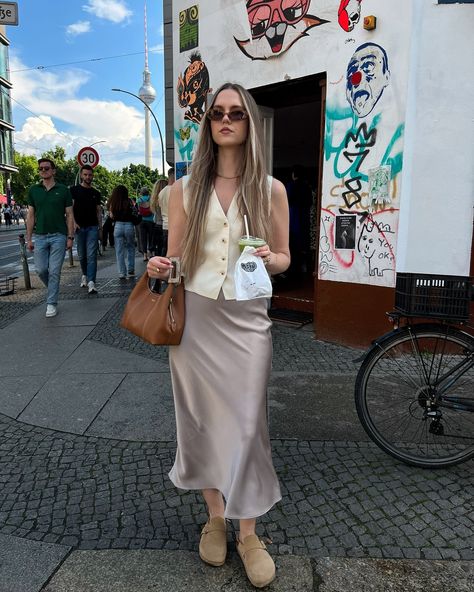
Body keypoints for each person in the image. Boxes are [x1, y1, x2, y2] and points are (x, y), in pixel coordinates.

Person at [147, 82, 290, 588]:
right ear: (208, 125)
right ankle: (214, 516)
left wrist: (273, 259)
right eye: (217, 114)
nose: (225, 120)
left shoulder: (271, 188)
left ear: (250, 123)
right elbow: (178, 257)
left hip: (248, 320)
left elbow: (285, 256)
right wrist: (161, 265)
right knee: (202, 420)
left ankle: (248, 532)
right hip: (197, 320)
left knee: (249, 425)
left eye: (236, 113)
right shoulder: (183, 189)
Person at [26, 158, 74, 317]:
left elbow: (69, 215)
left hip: (59, 236)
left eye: (46, 168)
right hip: (40, 236)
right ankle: (53, 290)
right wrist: (29, 238)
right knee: (40, 270)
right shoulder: (34, 190)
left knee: (54, 271)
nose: (43, 171)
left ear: (53, 171)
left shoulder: (63, 190)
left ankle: (51, 303)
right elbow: (31, 216)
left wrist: (70, 237)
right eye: (40, 169)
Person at [70, 164, 102, 294]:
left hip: (92, 227)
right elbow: (70, 209)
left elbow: (98, 212)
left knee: (91, 255)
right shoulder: (74, 190)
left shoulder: (96, 193)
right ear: (81, 175)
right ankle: (84, 274)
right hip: (79, 228)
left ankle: (91, 282)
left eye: (90, 175)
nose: (88, 177)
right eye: (85, 175)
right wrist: (73, 223)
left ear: (92, 176)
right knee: (82, 255)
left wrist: (100, 228)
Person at [109, 185, 137, 279]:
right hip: (129, 225)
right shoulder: (129, 201)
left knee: (119, 250)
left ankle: (122, 273)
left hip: (118, 226)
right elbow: (135, 212)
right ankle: (131, 268)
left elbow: (111, 216)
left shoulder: (114, 202)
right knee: (131, 247)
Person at [157, 167, 175, 256]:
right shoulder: (176, 190)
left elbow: (161, 207)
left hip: (165, 225)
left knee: (165, 251)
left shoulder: (161, 193)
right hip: (175, 225)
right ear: (174, 175)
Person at [136, 186, 154, 261]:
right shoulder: (151, 199)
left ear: (141, 193)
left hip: (142, 221)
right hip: (150, 220)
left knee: (143, 238)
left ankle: (145, 255)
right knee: (151, 237)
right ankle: (151, 253)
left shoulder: (138, 200)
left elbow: (137, 211)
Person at [150, 178, 167, 257]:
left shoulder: (155, 200)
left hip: (157, 226)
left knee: (159, 251)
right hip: (165, 226)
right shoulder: (166, 198)